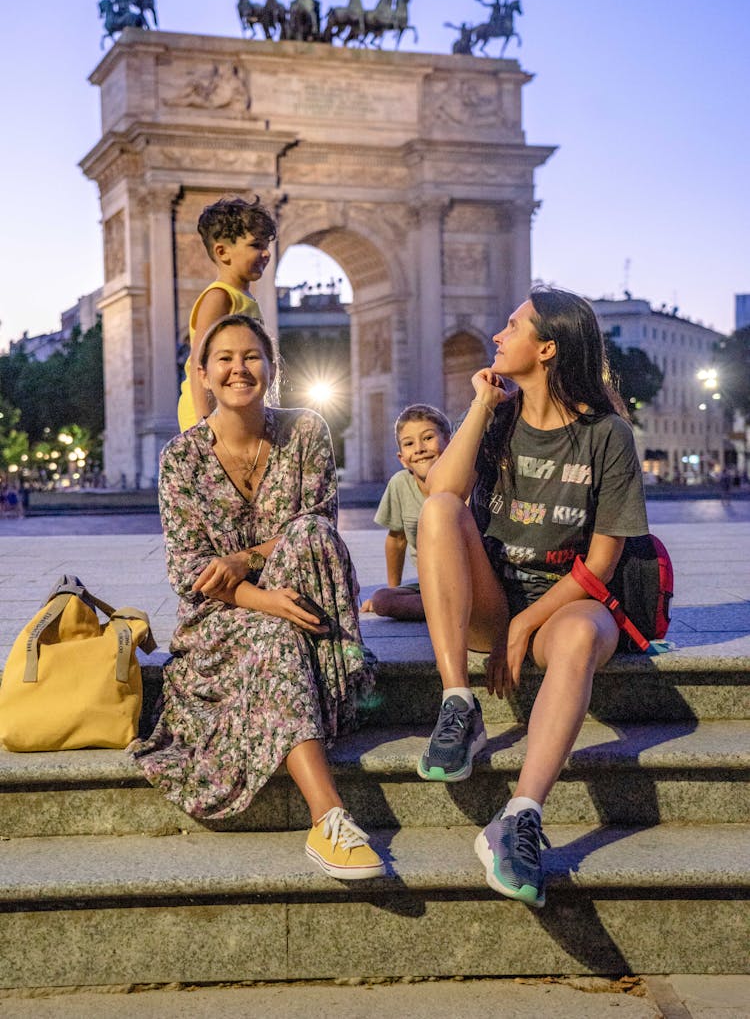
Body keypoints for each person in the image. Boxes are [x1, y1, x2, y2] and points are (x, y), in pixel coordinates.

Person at [416, 286, 648, 908]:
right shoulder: (496, 419)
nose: (497, 336)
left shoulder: (608, 436)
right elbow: (440, 491)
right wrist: (481, 406)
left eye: (512, 326)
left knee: (577, 632)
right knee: (439, 510)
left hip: (565, 605)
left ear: (546, 348)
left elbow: (602, 563)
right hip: (495, 597)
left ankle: (519, 816)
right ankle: (457, 703)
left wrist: (524, 629)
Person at [132, 314, 386, 880]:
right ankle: (330, 818)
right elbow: (188, 571)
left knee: (311, 534)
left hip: (307, 601)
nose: (238, 368)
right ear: (201, 374)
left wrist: (243, 559)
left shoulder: (308, 431)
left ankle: (326, 680)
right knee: (274, 630)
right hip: (223, 621)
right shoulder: (181, 458)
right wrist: (261, 597)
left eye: (252, 356)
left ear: (273, 369)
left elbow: (318, 523)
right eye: (224, 358)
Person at [177, 196, 276, 433]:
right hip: (209, 414)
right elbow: (200, 363)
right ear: (222, 252)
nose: (266, 254)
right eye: (256, 245)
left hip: (235, 410)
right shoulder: (219, 297)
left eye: (266, 246)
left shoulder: (244, 297)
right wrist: (204, 425)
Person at [361, 404, 451, 621]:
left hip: (470, 581)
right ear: (402, 458)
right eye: (409, 444)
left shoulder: (464, 481)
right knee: (382, 599)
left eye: (428, 438)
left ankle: (454, 607)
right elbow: (397, 540)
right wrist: (395, 588)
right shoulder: (400, 484)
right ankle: (447, 609)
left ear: (449, 442)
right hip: (430, 587)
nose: (419, 448)